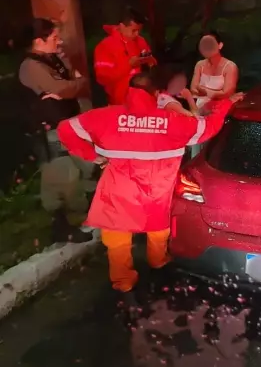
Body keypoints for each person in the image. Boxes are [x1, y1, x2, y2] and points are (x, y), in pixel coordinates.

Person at [56, 72, 244, 308]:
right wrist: (228, 103)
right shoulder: (173, 123)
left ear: (129, 93)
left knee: (117, 240)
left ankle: (124, 283)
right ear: (156, 94)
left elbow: (65, 129)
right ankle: (158, 264)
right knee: (158, 233)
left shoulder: (106, 117)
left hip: (119, 196)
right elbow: (209, 126)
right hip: (157, 196)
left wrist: (93, 156)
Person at [17, 18, 93, 243]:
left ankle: (77, 216)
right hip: (49, 129)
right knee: (63, 176)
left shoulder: (53, 59)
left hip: (67, 123)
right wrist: (73, 85)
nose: (58, 42)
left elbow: (76, 83)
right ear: (38, 41)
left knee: (82, 168)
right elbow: (62, 87)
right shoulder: (31, 67)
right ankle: (65, 225)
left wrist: (73, 82)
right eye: (53, 38)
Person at [94, 8, 157, 106]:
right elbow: (103, 78)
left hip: (145, 100)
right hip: (119, 103)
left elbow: (152, 63)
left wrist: (150, 62)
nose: (137, 34)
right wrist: (129, 65)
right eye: (134, 30)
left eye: (139, 30)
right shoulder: (105, 45)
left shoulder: (140, 41)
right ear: (122, 26)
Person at [190, 31, 238, 111]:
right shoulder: (199, 65)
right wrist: (215, 93)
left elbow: (227, 93)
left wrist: (203, 90)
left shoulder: (230, 67)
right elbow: (193, 89)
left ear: (220, 45)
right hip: (199, 108)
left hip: (220, 111)